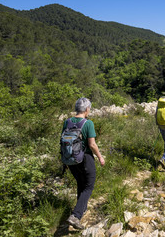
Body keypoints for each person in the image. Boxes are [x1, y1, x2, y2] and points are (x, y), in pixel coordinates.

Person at [64, 98, 105, 230]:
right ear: (87, 109)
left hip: (70, 159)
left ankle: (81, 209)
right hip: (85, 158)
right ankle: (75, 215)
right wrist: (100, 157)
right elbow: (92, 144)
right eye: (89, 109)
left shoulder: (67, 121)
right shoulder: (88, 123)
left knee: (81, 183)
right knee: (88, 186)